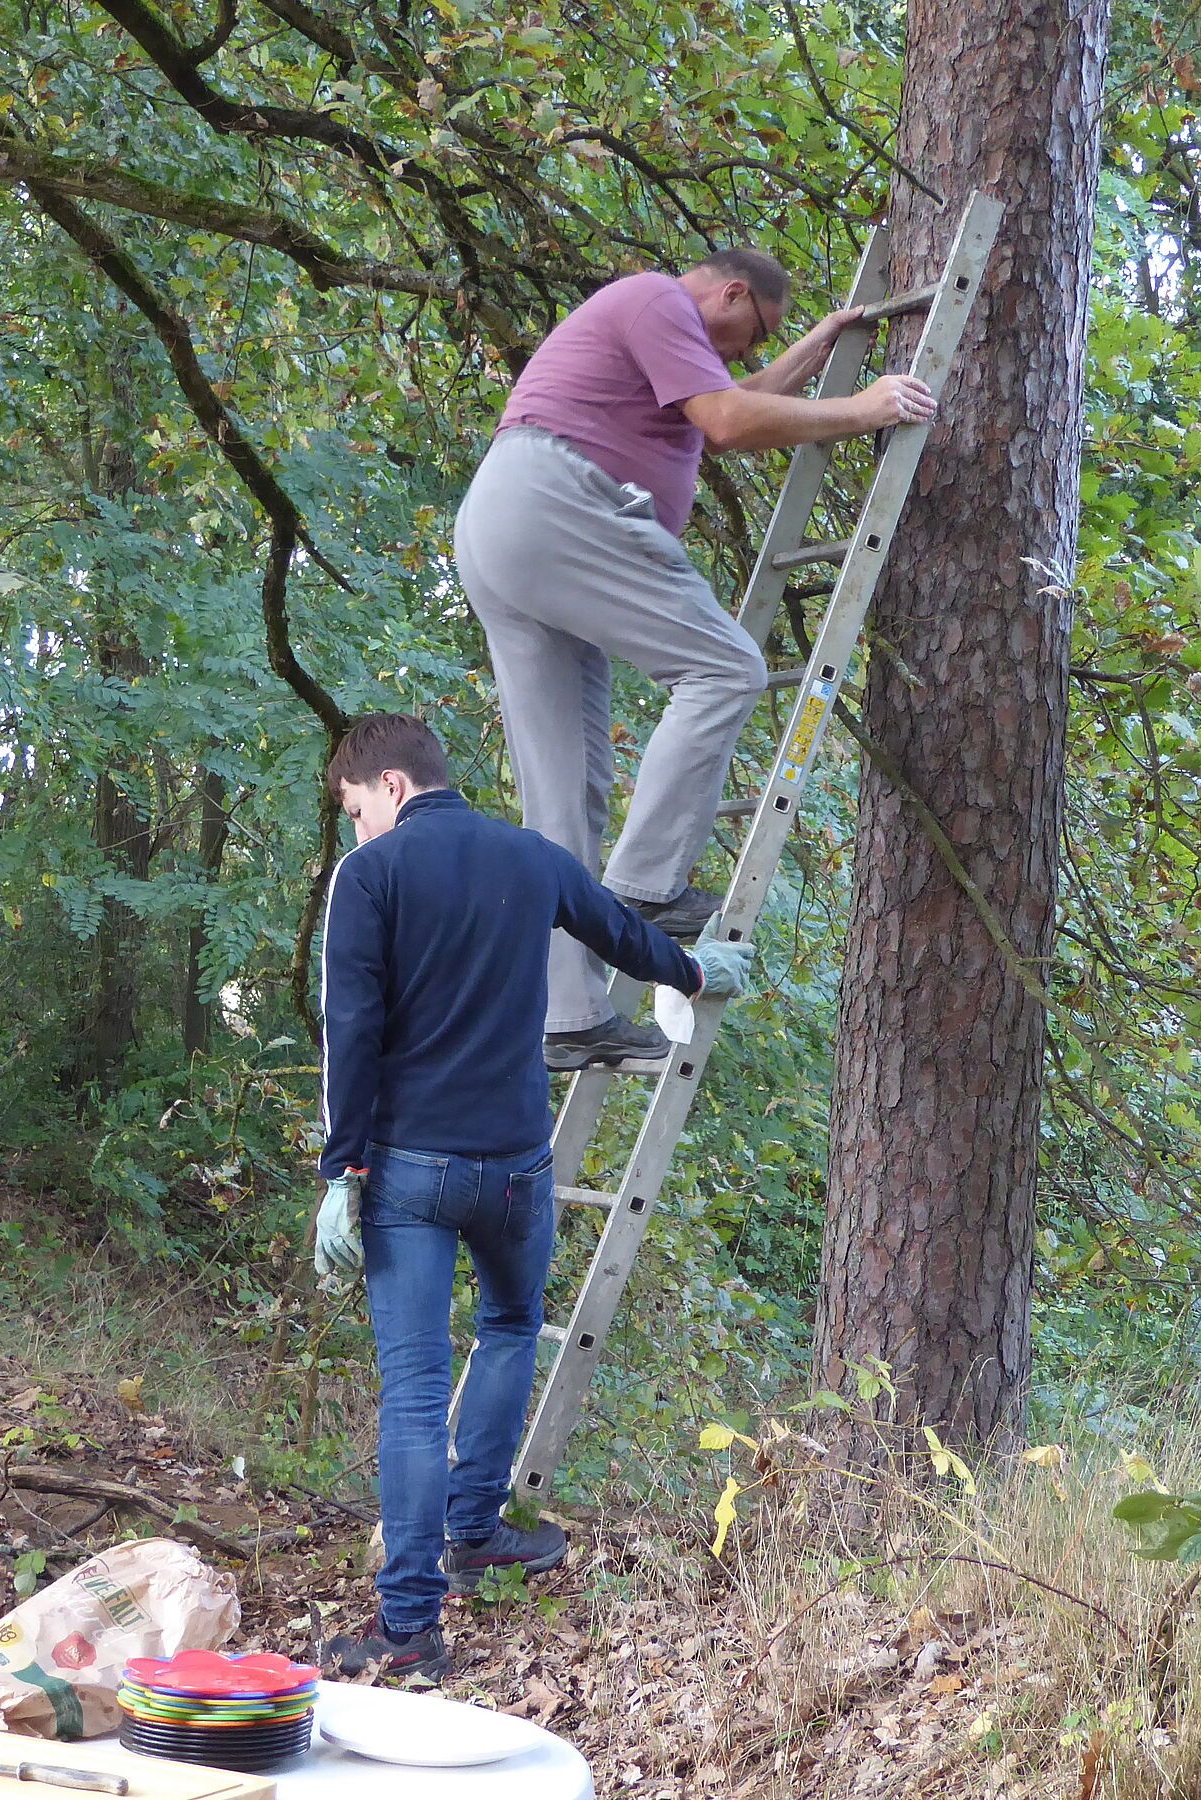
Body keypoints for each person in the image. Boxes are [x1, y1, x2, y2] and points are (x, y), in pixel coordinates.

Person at [311, 713, 754, 1683]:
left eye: (353, 810)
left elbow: (352, 1028)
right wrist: (693, 971)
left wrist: (340, 1175)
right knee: (511, 1326)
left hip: (413, 1174)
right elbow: (623, 934)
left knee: (418, 1395)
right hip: (516, 1166)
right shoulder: (529, 856)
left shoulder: (373, 877)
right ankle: (474, 1531)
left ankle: (411, 1629)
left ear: (388, 787)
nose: (354, 831)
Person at [456, 246, 937, 1073]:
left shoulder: (666, 335)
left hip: (508, 529)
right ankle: (645, 886)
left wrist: (815, 347)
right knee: (726, 670)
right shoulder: (654, 299)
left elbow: (726, 413)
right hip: (555, 504)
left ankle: (569, 1016)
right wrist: (865, 409)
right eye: (757, 332)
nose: (749, 352)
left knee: (565, 796)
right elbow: (726, 421)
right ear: (732, 292)